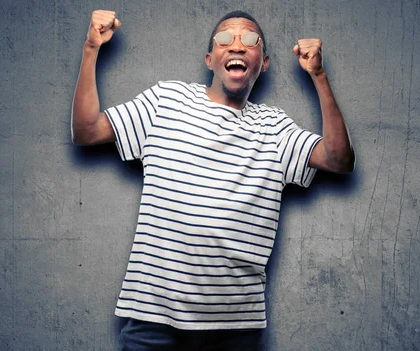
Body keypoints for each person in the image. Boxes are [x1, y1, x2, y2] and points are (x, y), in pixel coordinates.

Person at [72, 9, 354, 351]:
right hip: (152, 320)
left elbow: (339, 160)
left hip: (235, 329)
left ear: (263, 63)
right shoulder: (166, 101)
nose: (236, 45)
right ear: (210, 58)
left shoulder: (274, 126)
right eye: (225, 39)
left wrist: (319, 75)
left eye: (250, 40)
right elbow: (87, 131)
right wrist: (91, 49)